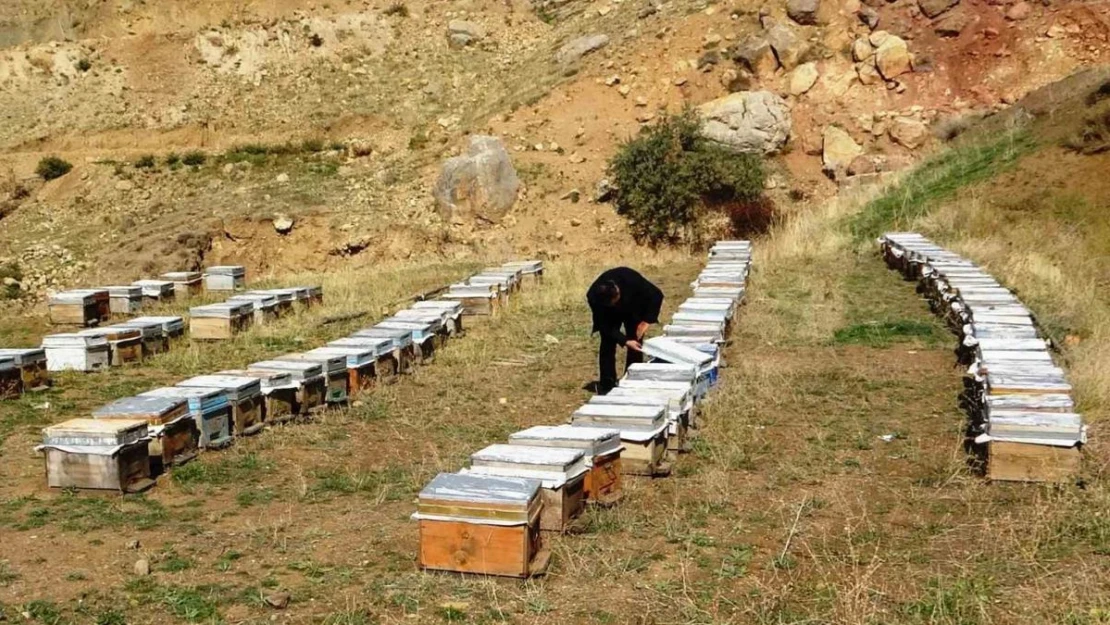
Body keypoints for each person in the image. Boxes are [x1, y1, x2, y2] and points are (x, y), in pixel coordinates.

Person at [587, 267, 664, 394]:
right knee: (607, 342)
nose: (615, 305)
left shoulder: (631, 279)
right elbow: (604, 326)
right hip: (608, 315)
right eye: (611, 304)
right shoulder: (594, 297)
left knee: (636, 341)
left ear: (617, 291)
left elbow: (657, 295)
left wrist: (646, 321)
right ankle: (607, 382)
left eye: (615, 301)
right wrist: (624, 340)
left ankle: (633, 377)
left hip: (633, 307)